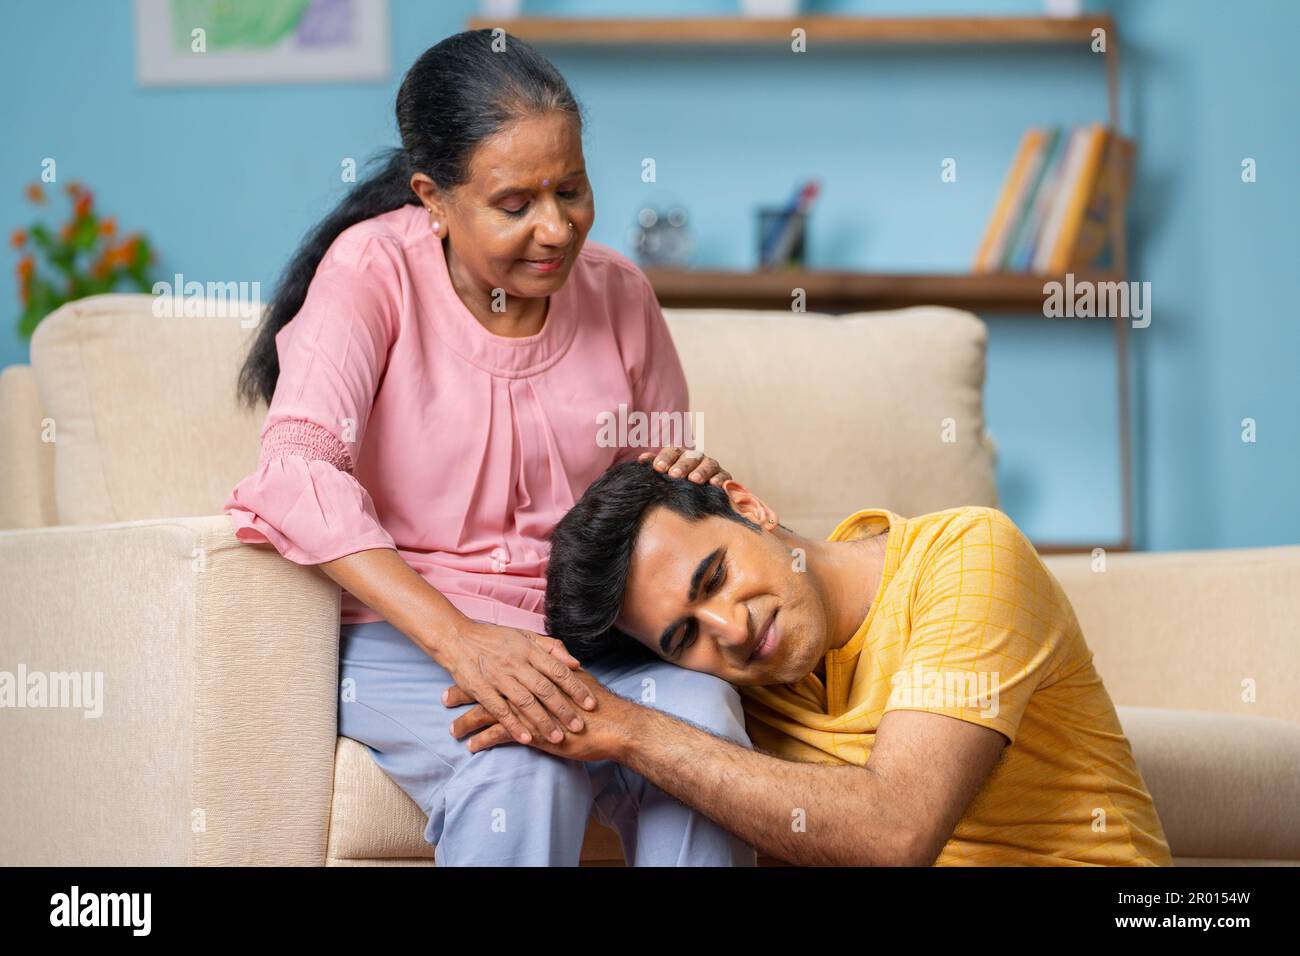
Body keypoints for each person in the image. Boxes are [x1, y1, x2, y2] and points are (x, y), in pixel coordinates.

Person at [225, 30, 754, 867]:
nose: (556, 229)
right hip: (408, 637)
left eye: (572, 191)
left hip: (583, 637)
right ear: (434, 198)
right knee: (526, 773)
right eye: (515, 205)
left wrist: (694, 495)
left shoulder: (620, 293)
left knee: (704, 724)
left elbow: (647, 494)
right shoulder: (373, 271)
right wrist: (463, 641)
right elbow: (296, 473)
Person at [448, 460, 1175, 867]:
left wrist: (630, 731)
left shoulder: (967, 556)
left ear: (748, 504)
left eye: (715, 578)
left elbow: (895, 834)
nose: (731, 630)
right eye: (684, 637)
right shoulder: (738, 681)